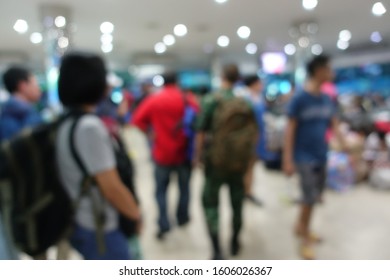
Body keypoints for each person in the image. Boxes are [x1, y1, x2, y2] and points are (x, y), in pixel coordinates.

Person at [56, 51, 140, 260]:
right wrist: (135, 215)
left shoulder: (67, 121)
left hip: (82, 220)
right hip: (100, 226)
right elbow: (111, 187)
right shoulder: (89, 127)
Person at [283, 55, 345, 260]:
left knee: (314, 197)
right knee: (309, 197)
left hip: (321, 155)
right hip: (303, 157)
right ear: (318, 71)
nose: (331, 73)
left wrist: (344, 145)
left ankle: (300, 227)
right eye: (328, 69)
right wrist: (287, 159)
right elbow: (290, 130)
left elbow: (334, 124)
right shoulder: (300, 98)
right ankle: (305, 239)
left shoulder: (326, 99)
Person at [194, 64, 258, 260]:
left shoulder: (210, 100)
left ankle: (216, 249)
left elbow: (201, 131)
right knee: (237, 203)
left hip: (216, 162)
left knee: (210, 203)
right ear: (238, 78)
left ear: (222, 76)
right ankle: (235, 241)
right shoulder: (245, 103)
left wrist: (197, 157)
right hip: (238, 162)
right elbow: (253, 133)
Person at [132, 72, 199, 240]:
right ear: (177, 81)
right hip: (183, 152)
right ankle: (182, 218)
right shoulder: (187, 98)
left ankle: (163, 224)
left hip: (161, 153)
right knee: (184, 188)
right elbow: (199, 119)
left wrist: (149, 133)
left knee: (161, 191)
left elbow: (137, 119)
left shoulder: (154, 99)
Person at [0, 66, 42, 260]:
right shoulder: (21, 117)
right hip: (26, 194)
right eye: (34, 83)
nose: (38, 88)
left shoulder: (12, 113)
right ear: (22, 85)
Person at [242, 75, 266, 206]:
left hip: (258, 137)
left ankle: (248, 190)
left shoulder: (257, 98)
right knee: (248, 166)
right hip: (250, 138)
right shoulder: (246, 99)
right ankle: (246, 191)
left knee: (251, 166)